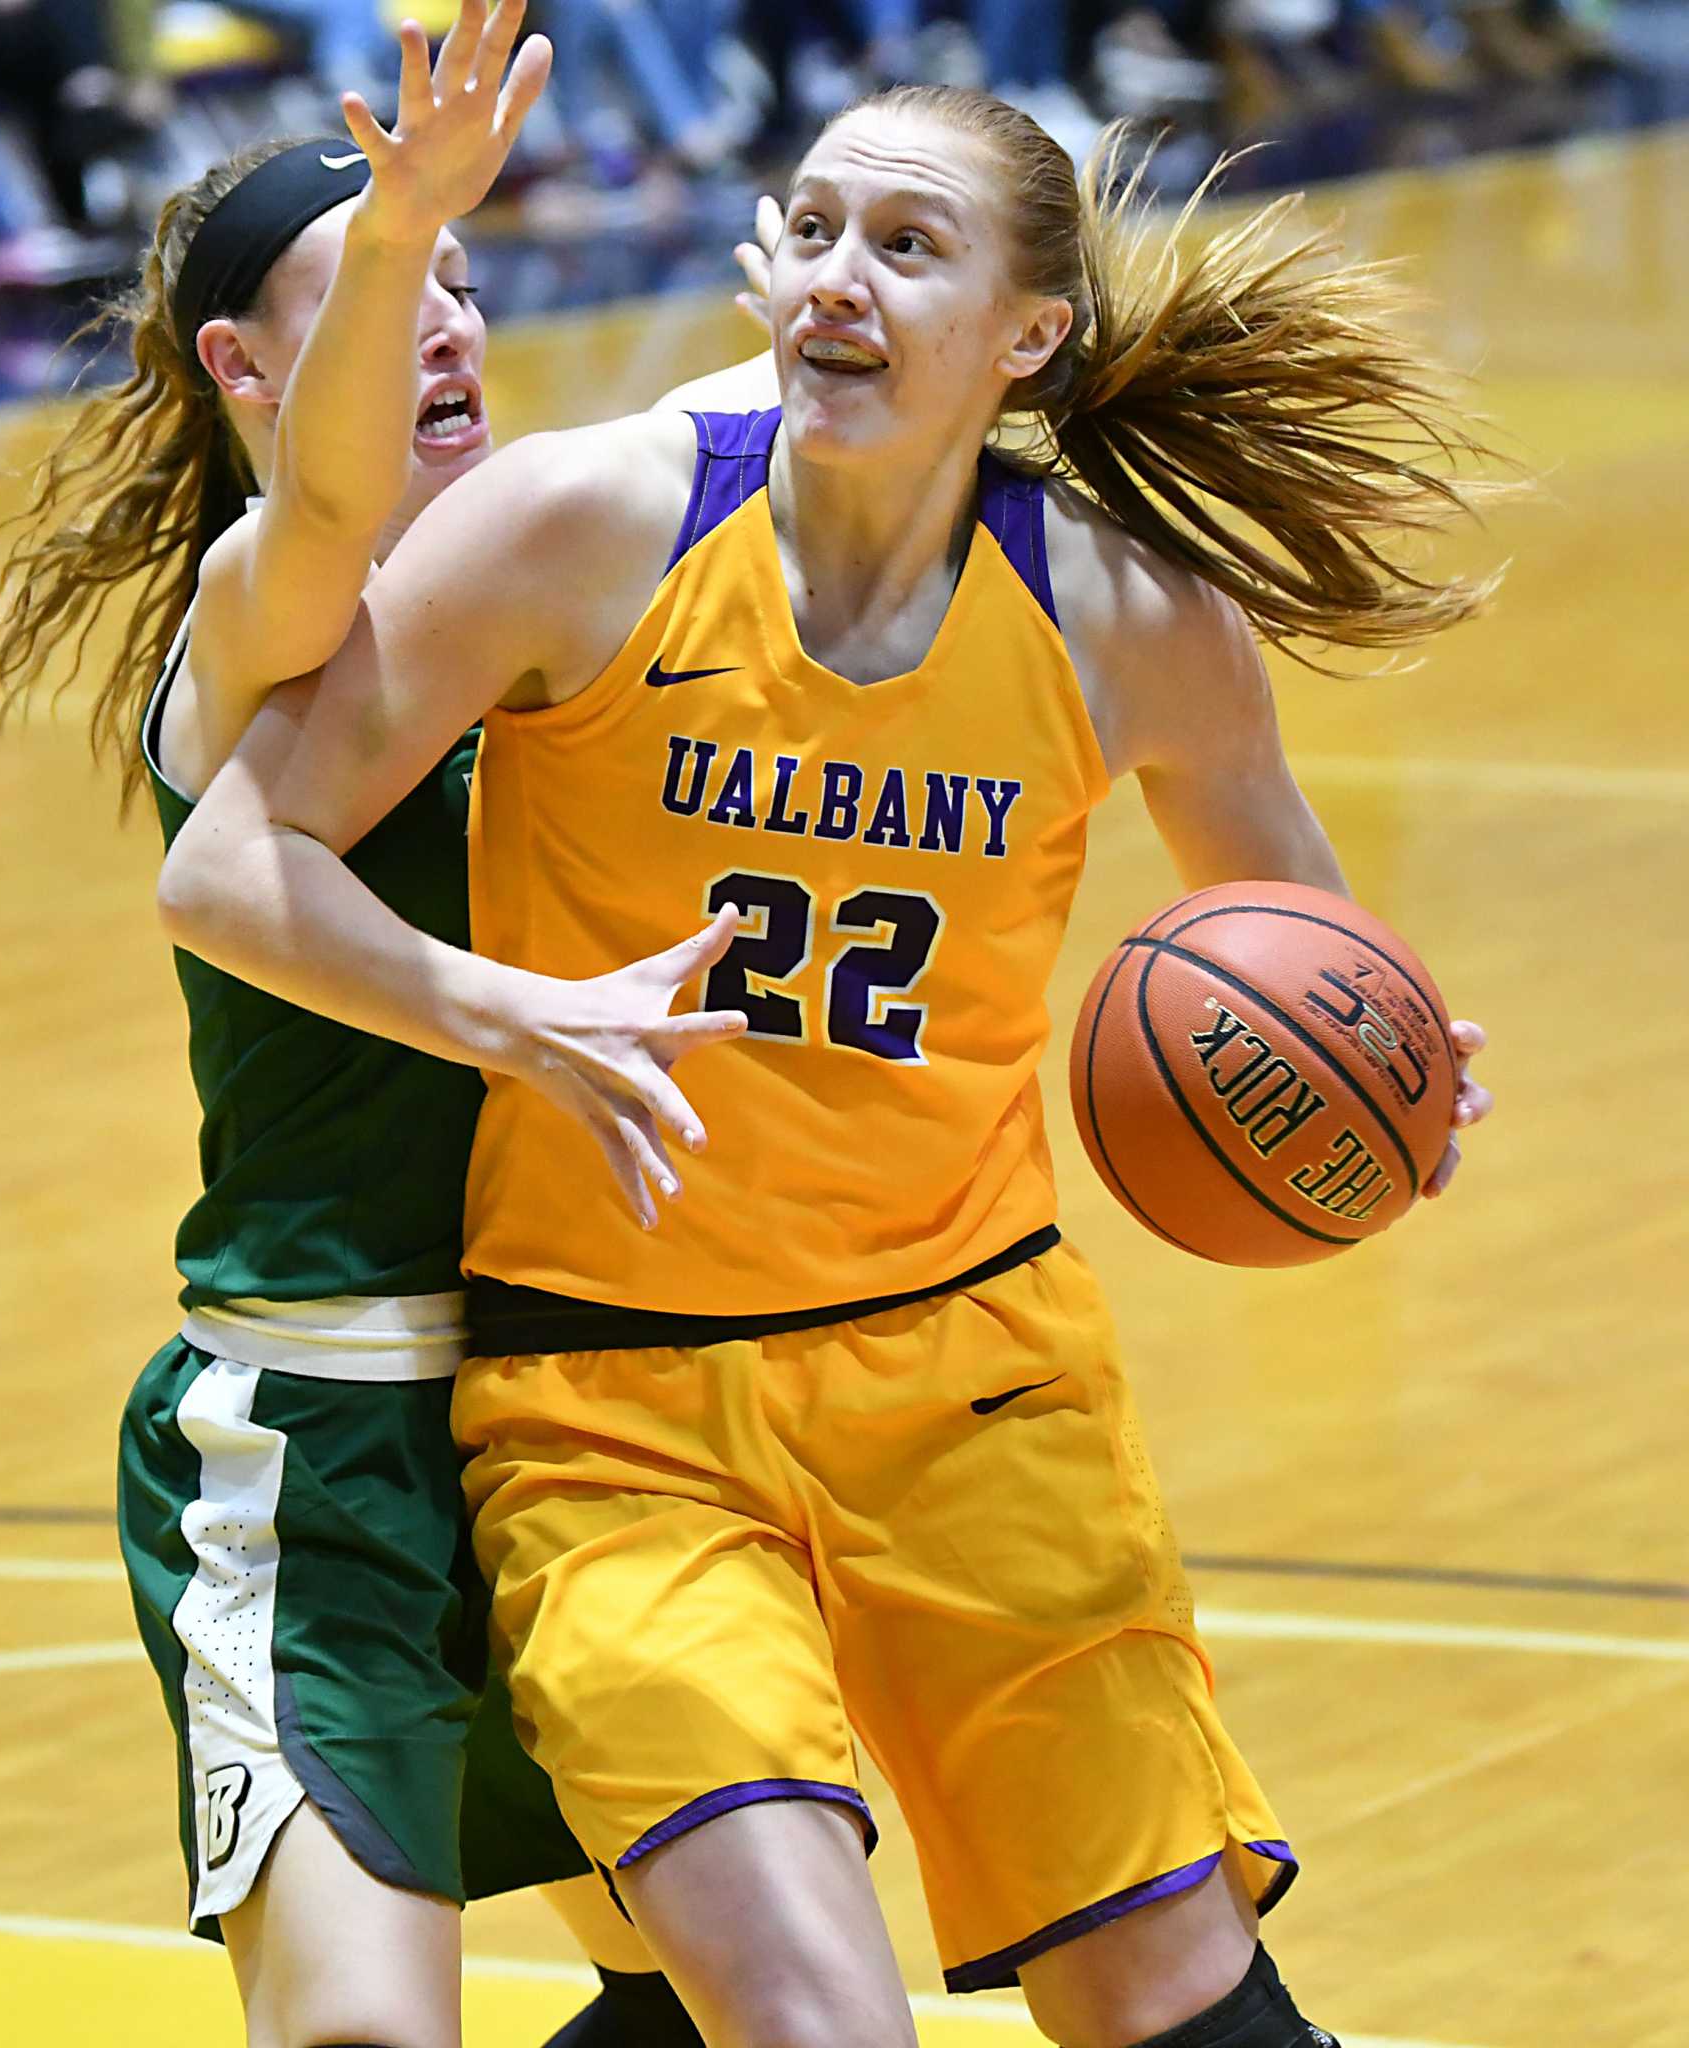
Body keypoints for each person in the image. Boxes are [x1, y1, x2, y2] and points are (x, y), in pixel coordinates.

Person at [157, 91, 1499, 2048]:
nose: (841, 277)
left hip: (978, 1383)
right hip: (618, 1406)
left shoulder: (1131, 612)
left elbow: (1305, 944)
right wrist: (514, 1009)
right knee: (804, 2017)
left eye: (907, 243)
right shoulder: (590, 518)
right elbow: (231, 859)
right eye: (813, 227)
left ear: (1024, 334)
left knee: (1167, 1997)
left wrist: (1387, 1081)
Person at [0, 5, 737, 2043]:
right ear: (245, 368)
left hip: (564, 1424)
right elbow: (321, 519)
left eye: (471, 284)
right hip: (313, 1443)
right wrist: (408, 211)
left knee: (725, 1992)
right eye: (389, 291)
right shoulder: (255, 616)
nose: (450, 326)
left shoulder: (553, 607)